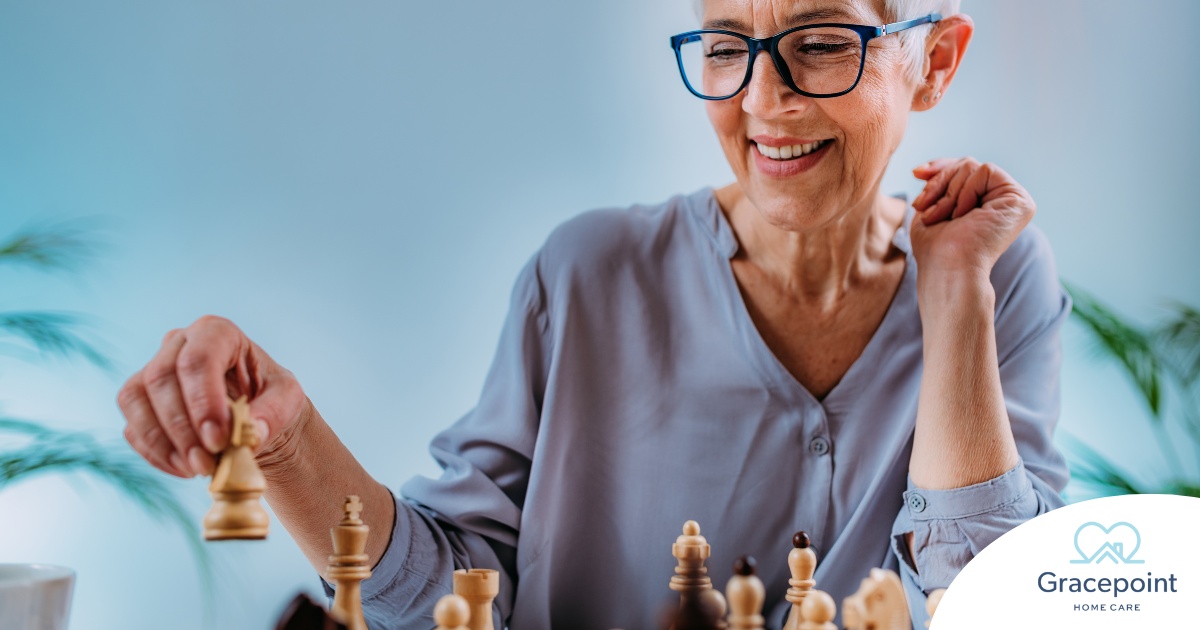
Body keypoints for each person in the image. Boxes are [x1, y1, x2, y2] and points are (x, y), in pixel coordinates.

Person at [116, 0, 1071, 628]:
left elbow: (987, 600)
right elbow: (458, 595)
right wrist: (287, 444)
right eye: (729, 45)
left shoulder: (995, 274)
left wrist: (954, 297)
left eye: (821, 42)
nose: (763, 100)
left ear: (934, 62)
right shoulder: (585, 276)